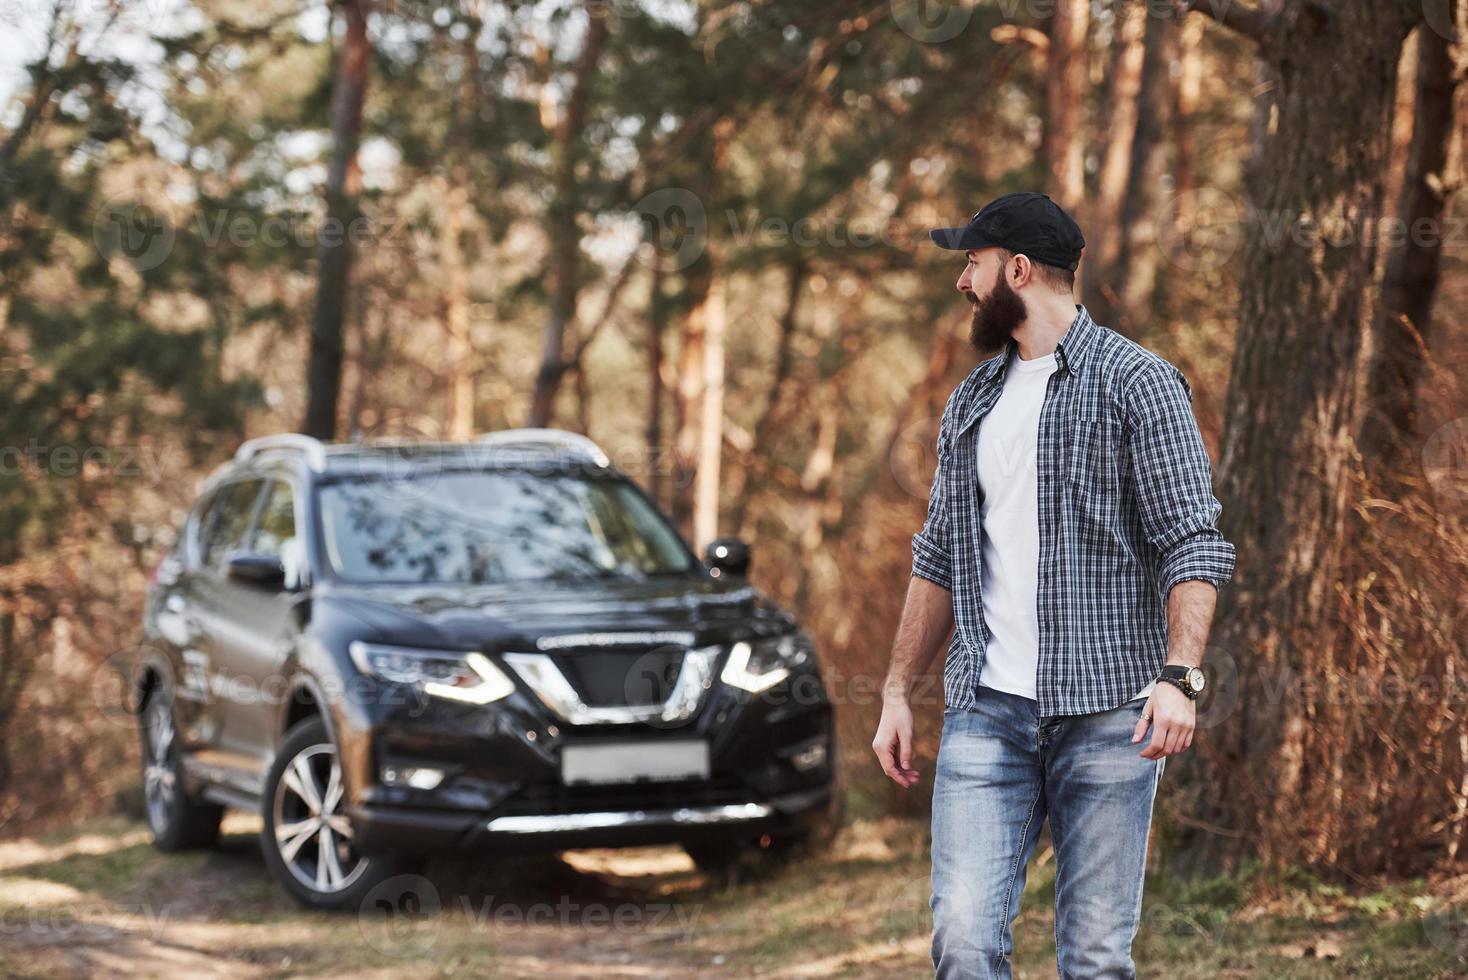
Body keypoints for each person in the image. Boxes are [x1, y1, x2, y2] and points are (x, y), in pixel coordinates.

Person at [871, 191, 1236, 979]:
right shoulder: (972, 401)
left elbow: (1193, 542)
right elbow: (938, 557)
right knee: (964, 943)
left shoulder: (1140, 384)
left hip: (1111, 715)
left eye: (971, 263)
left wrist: (1179, 677)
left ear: (1019, 269)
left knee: (1095, 958)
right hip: (987, 715)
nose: (964, 283)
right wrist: (899, 690)